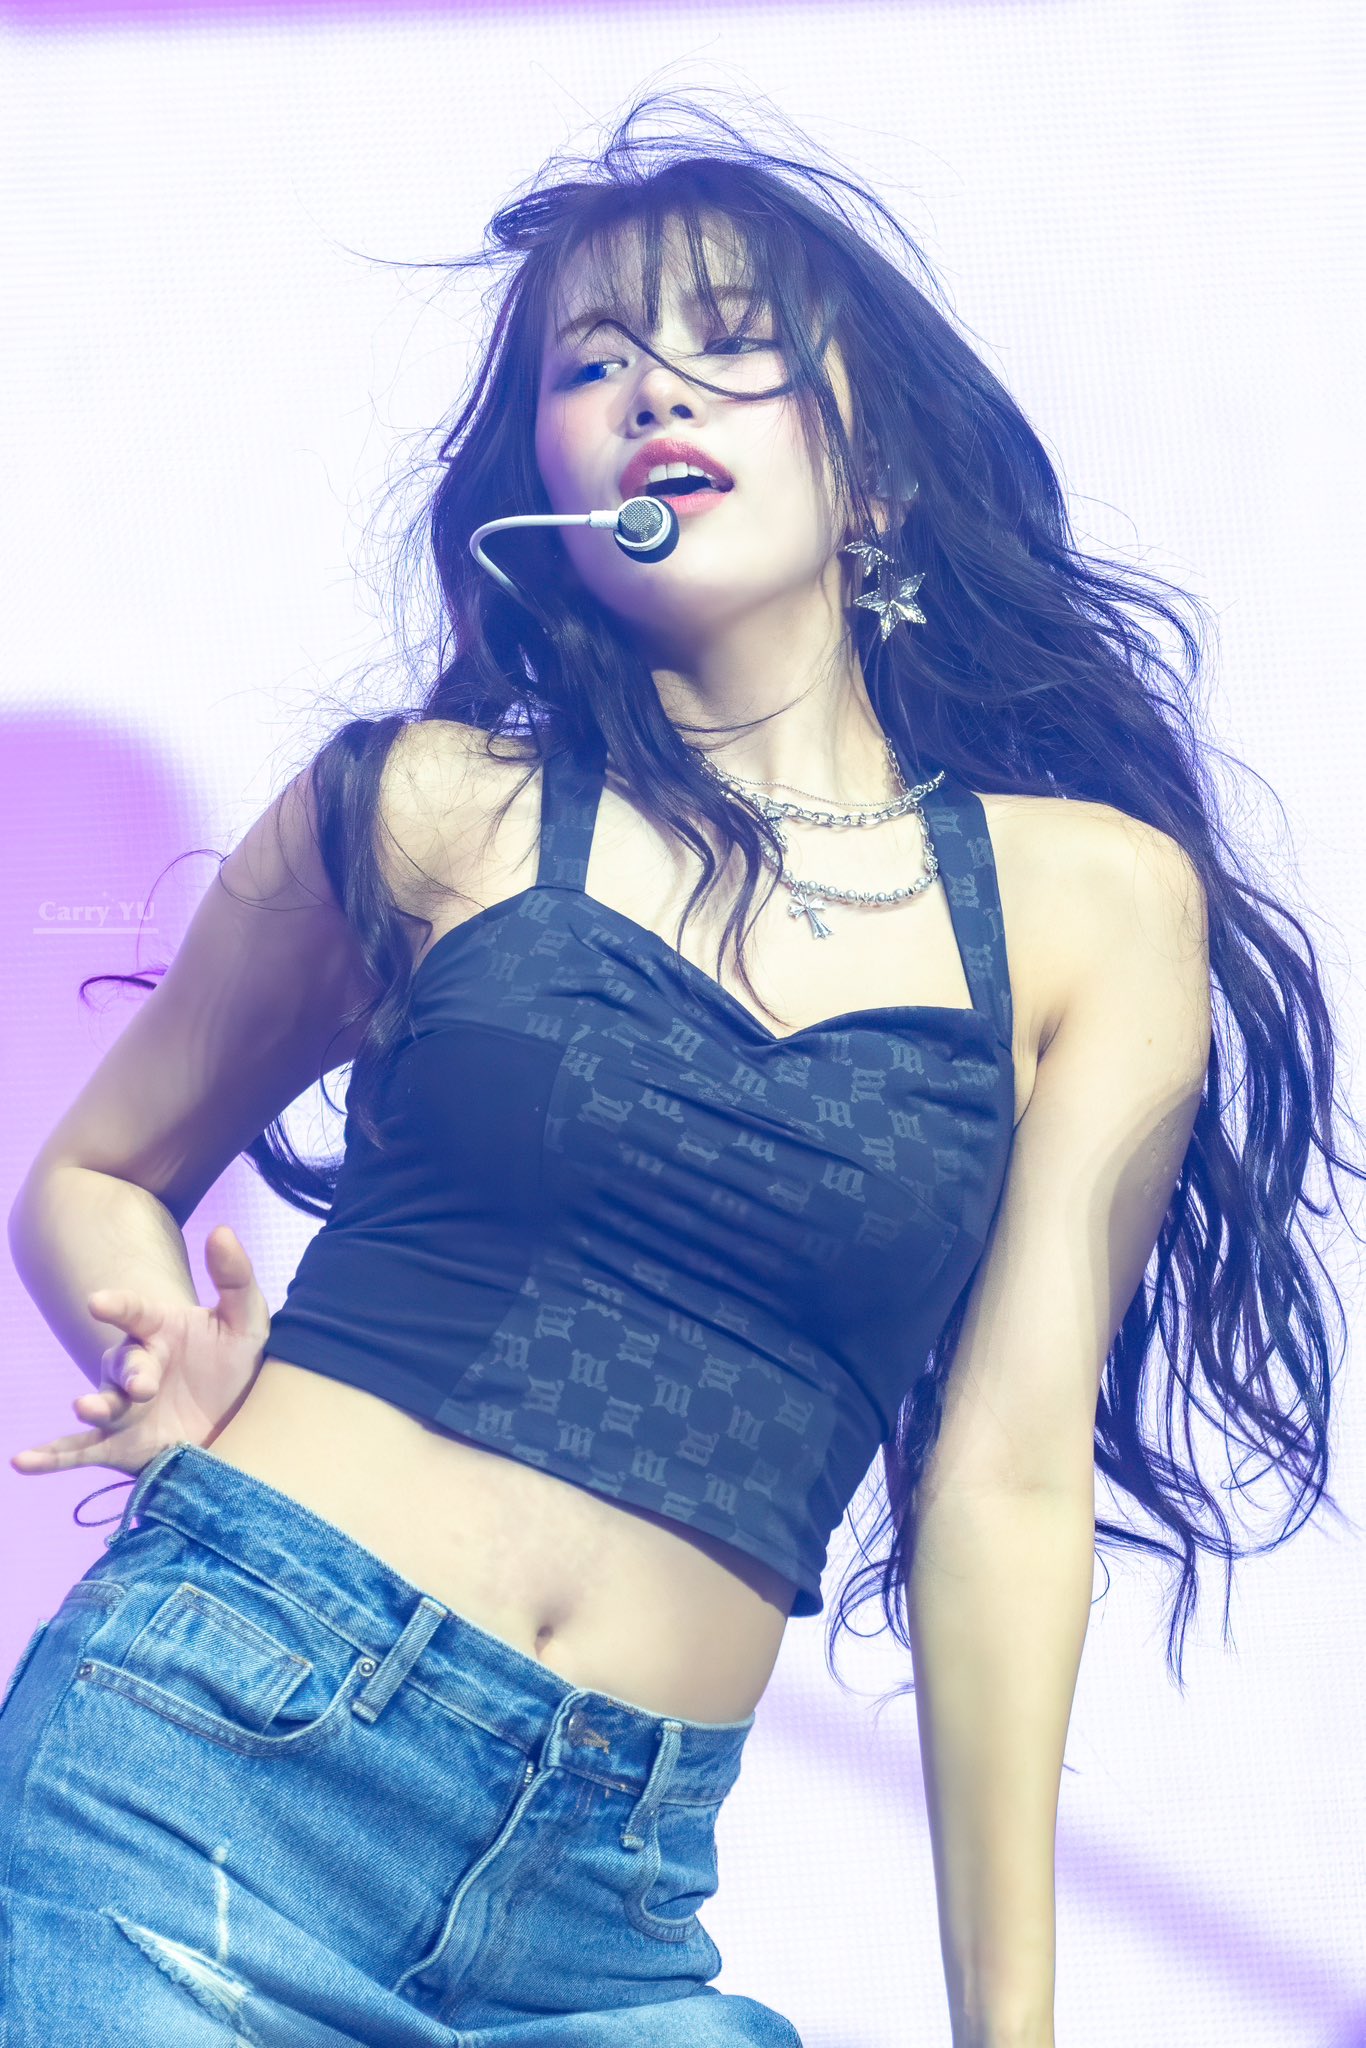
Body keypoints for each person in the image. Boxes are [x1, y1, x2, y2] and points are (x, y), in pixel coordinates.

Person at [2, 96, 1357, 2048]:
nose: (653, 390)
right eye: (591, 363)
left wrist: (1012, 2032)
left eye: (730, 341)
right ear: (547, 480)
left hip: (607, 1904)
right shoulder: (424, 807)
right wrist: (157, 1346)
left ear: (875, 470)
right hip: (199, 1756)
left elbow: (1004, 1476)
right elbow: (94, 1169)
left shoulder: (1089, 906)